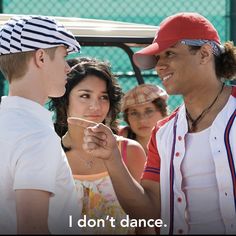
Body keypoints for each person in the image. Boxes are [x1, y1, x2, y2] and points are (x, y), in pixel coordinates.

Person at [68, 12, 236, 235]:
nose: (160, 66)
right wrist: (113, 159)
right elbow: (149, 215)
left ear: (204, 54)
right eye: (158, 59)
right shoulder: (163, 132)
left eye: (169, 54)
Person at [0, 15, 82, 234]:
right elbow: (32, 227)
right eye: (64, 57)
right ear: (41, 58)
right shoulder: (36, 135)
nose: (68, 68)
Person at [49, 57, 146, 234]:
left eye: (103, 97)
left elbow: (146, 224)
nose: (96, 106)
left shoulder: (130, 151)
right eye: (85, 96)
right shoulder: (48, 154)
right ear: (64, 100)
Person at [119, 84, 168, 154]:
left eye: (149, 111)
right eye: (134, 113)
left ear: (163, 113)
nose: (142, 120)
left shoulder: (176, 139)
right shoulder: (118, 140)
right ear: (127, 118)